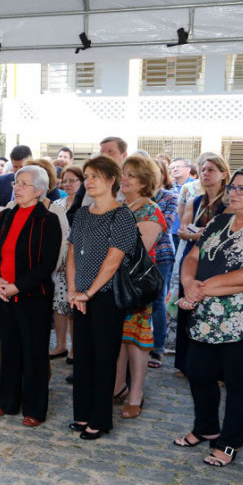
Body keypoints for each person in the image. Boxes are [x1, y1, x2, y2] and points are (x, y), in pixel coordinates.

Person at [174, 166, 243, 467]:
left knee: (238, 382)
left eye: (241, 189)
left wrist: (199, 289)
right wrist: (188, 283)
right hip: (207, 312)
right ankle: (206, 427)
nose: (232, 193)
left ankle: (229, 443)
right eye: (232, 187)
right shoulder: (221, 220)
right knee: (198, 372)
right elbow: (193, 256)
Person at [66, 155, 138, 440]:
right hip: (79, 296)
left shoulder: (122, 215)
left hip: (106, 297)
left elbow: (113, 260)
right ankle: (82, 414)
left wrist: (89, 292)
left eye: (95, 176)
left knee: (103, 359)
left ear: (111, 181)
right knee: (82, 357)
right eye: (87, 177)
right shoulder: (82, 214)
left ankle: (100, 419)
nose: (89, 182)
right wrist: (74, 291)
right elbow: (71, 253)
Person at [0, 166, 62, 426]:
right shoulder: (6, 216)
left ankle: (34, 409)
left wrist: (18, 286)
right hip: (4, 293)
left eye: (24, 184)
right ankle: (6, 402)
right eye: (17, 182)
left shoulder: (47, 220)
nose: (17, 187)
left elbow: (47, 263)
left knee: (34, 353)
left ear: (39, 191)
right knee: (9, 350)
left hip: (33, 296)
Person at [112, 156, 167, 420]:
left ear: (145, 181)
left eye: (131, 175)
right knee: (119, 337)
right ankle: (118, 385)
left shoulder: (150, 211)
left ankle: (136, 393)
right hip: (113, 282)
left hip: (136, 285)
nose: (125, 179)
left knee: (136, 340)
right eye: (124, 173)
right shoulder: (121, 205)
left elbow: (136, 251)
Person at [175, 155, 230, 376]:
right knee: (187, 307)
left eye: (211, 170)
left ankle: (213, 369)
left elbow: (219, 234)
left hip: (216, 260)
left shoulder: (228, 202)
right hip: (192, 257)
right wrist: (198, 234)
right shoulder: (195, 200)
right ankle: (186, 364)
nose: (206, 174)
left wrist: (197, 234)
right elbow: (184, 228)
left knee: (211, 310)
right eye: (203, 170)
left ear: (223, 173)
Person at [51, 165, 83, 360]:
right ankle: (60, 345)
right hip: (57, 263)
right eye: (65, 180)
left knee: (73, 308)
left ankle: (74, 349)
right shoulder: (57, 204)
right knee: (58, 306)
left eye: (73, 180)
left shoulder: (87, 204)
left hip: (77, 262)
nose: (68, 184)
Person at [149, 159, 178, 369]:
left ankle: (158, 348)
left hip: (161, 255)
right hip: (136, 257)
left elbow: (163, 225)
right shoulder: (131, 198)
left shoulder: (170, 197)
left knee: (158, 301)